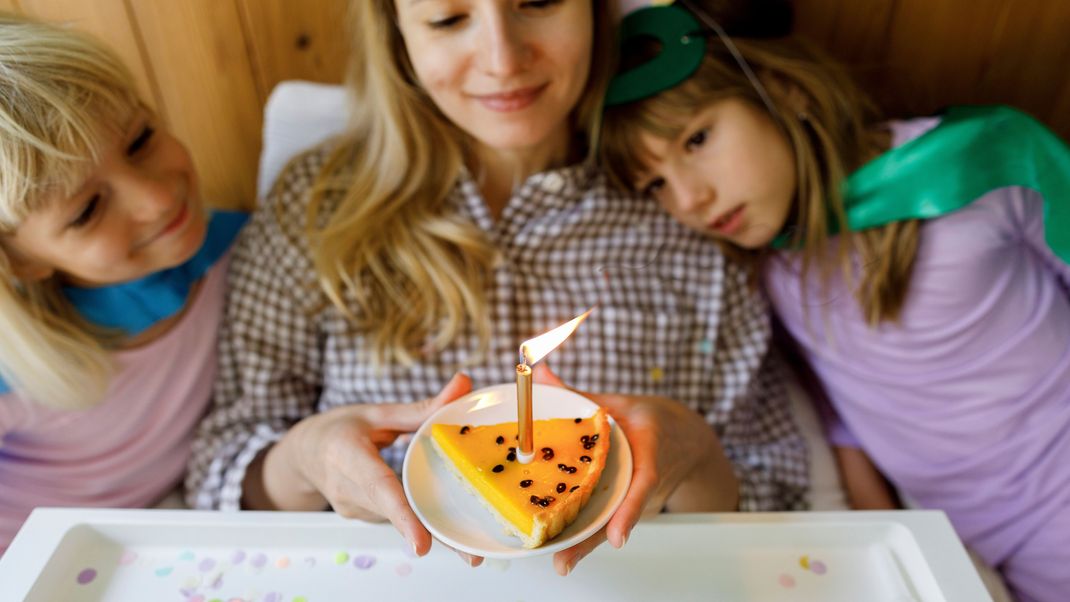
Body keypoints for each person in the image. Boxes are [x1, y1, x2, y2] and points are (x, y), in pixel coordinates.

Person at [186, 0, 807, 576]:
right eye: (449, 17)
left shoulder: (685, 199)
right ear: (397, 34)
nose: (503, 61)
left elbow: (772, 490)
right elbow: (220, 472)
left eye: (537, 1)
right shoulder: (316, 206)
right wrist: (304, 459)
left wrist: (693, 453)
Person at [599, 2, 1070, 600]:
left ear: (782, 89)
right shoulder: (771, 272)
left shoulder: (979, 161)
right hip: (971, 547)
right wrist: (884, 530)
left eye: (698, 138)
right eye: (656, 184)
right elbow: (842, 417)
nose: (690, 198)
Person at [0, 14, 246, 554]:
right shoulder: (14, 366)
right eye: (87, 209)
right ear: (20, 263)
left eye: (139, 140)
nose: (156, 199)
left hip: (149, 542)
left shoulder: (245, 251)